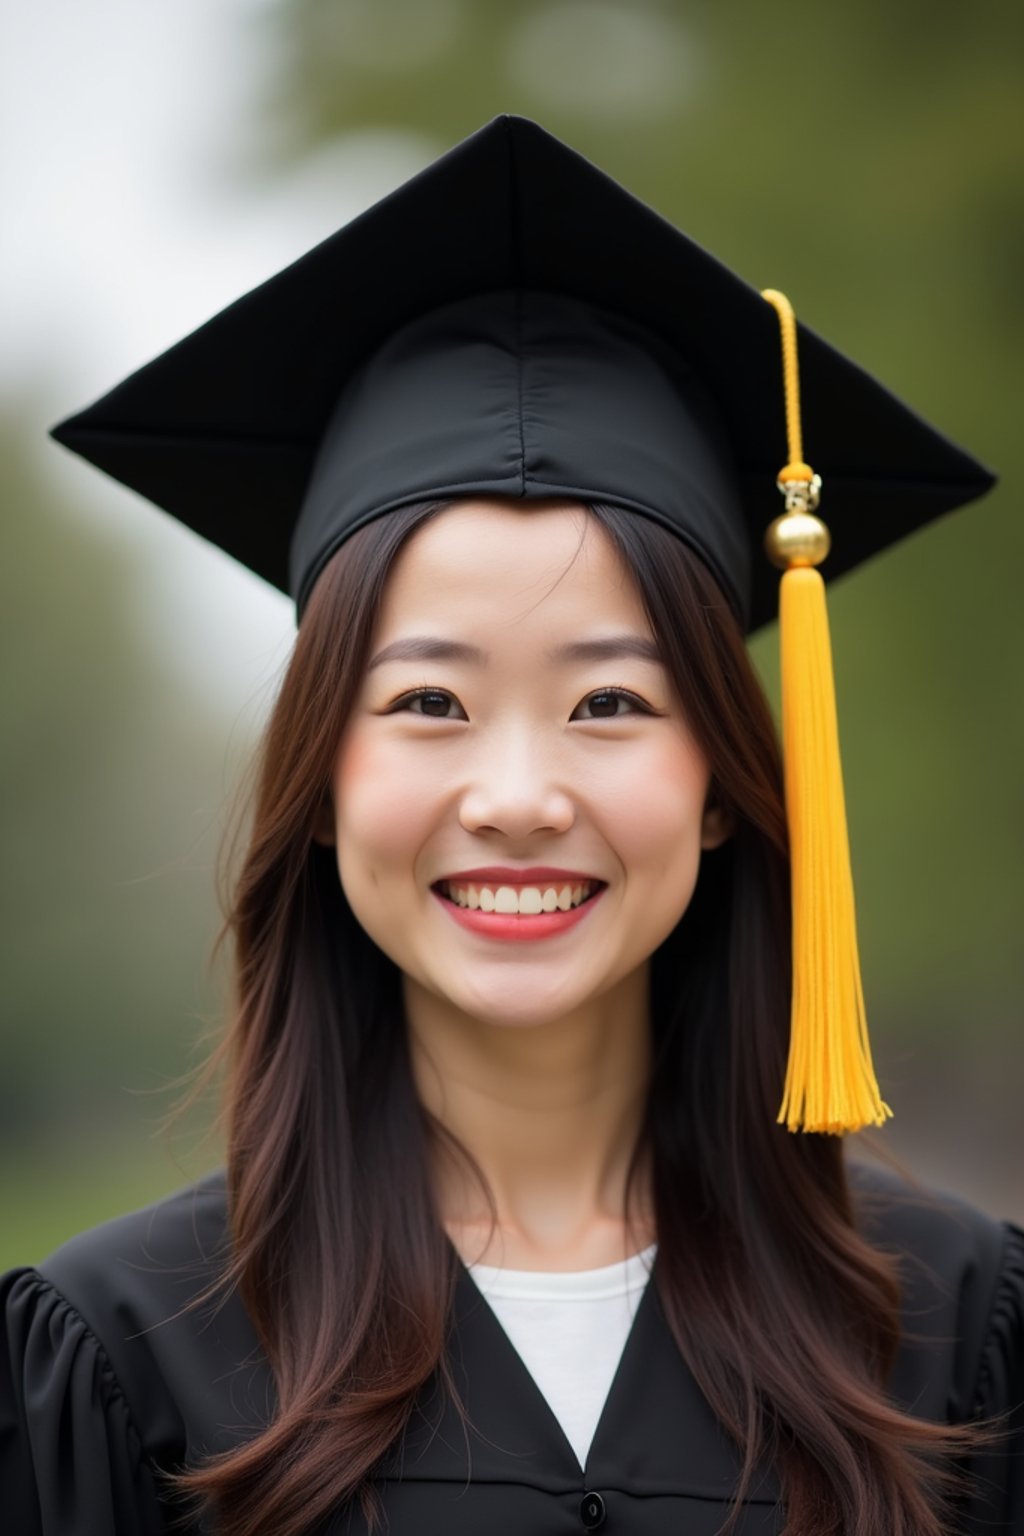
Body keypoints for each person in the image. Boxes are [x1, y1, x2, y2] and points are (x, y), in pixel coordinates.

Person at [2, 115, 1020, 1536]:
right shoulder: (123, 1360)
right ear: (322, 780)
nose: (522, 795)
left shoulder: (954, 1335)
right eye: (429, 701)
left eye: (610, 703)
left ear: (726, 783)